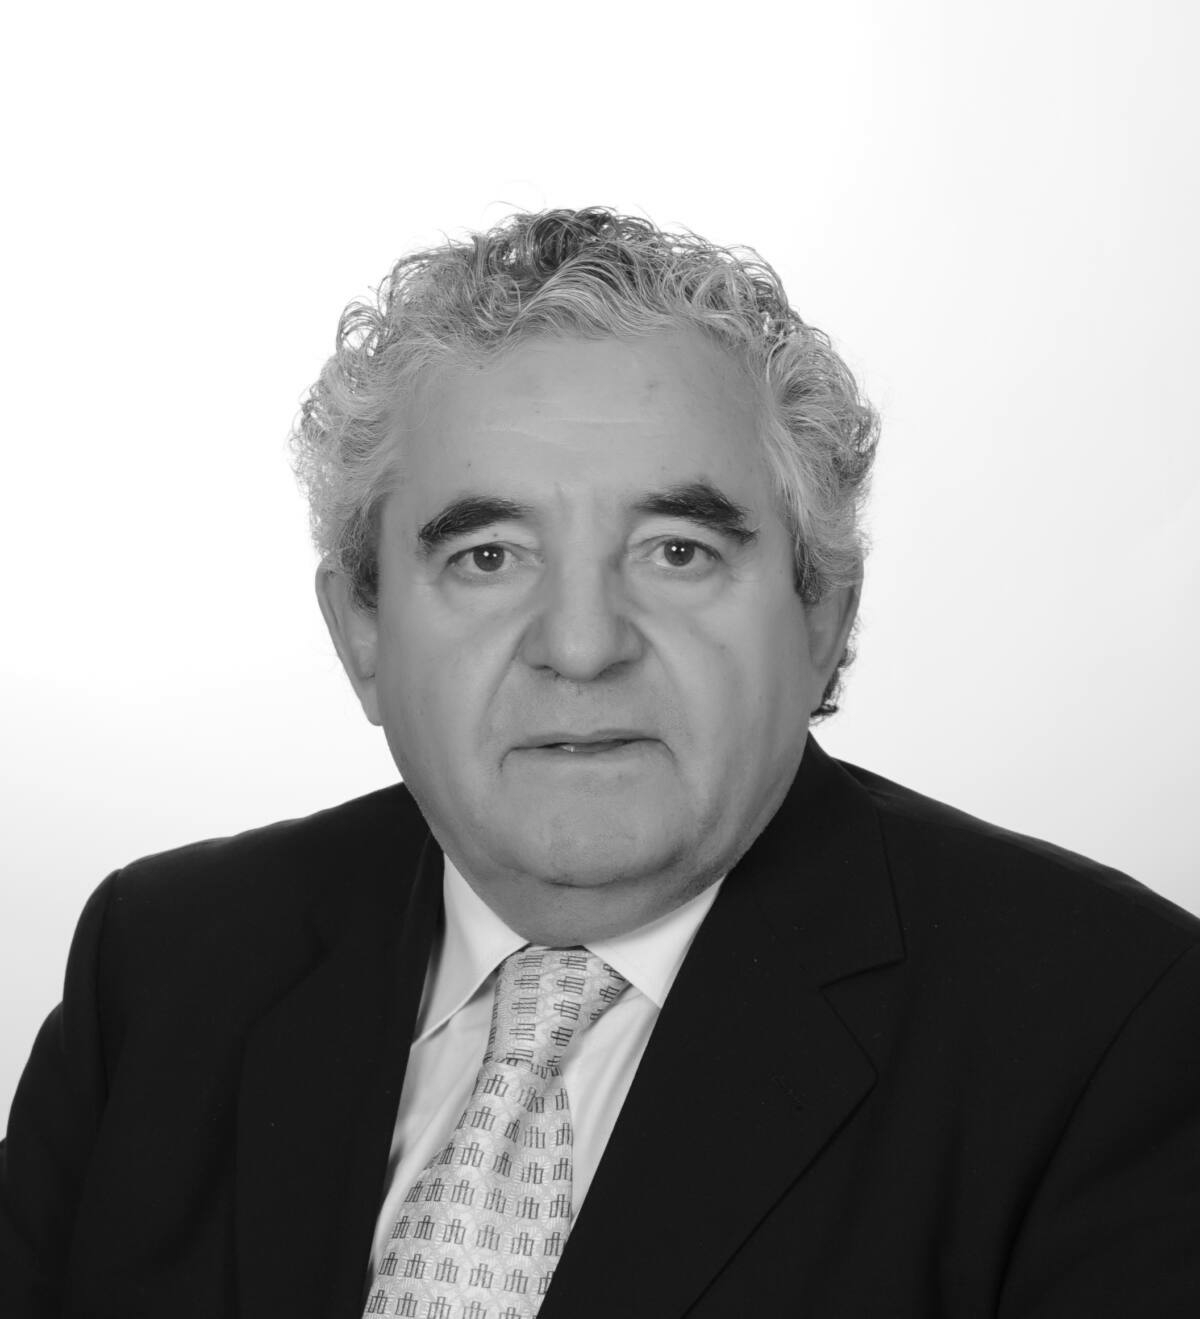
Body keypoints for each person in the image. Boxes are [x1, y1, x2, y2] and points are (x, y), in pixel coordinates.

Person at [2, 207, 1198, 1319]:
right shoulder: (163, 965)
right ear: (361, 631)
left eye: (677, 551)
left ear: (823, 614)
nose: (581, 645)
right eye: (487, 556)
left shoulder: (1116, 1030)